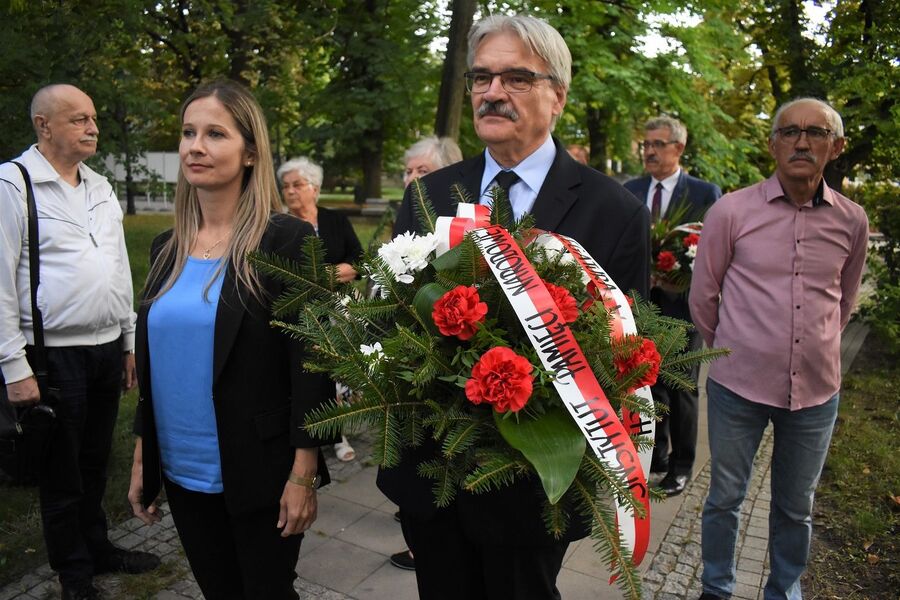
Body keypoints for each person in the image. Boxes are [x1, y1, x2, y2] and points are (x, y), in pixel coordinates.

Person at [384, 14, 649, 600]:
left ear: (557, 95)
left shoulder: (613, 211)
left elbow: (627, 351)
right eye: (482, 78)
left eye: (515, 78)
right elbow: (395, 315)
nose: (492, 92)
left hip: (533, 492)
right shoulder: (428, 193)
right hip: (433, 477)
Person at [127, 80, 335, 600]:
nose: (195, 146)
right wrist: (141, 457)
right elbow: (158, 366)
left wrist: (304, 472)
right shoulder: (164, 248)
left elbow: (310, 364)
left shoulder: (286, 240)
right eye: (188, 132)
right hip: (181, 468)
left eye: (215, 133)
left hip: (259, 470)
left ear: (249, 153)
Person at [689, 98, 868, 600]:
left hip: (815, 394)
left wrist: (815, 347)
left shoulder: (852, 221)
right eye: (789, 132)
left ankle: (784, 590)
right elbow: (703, 296)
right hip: (737, 388)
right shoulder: (730, 211)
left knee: (796, 505)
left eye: (815, 133)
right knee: (725, 498)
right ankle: (716, 587)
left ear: (835, 147)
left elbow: (845, 300)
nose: (802, 142)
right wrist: (733, 350)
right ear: (772, 144)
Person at [0, 84, 160, 600]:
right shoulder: (13, 184)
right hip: (51, 357)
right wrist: (13, 366)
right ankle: (74, 575)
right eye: (78, 120)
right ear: (43, 125)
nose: (93, 128)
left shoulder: (99, 186)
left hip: (106, 347)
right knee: (61, 472)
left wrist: (129, 339)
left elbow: (118, 267)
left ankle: (99, 548)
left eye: (93, 118)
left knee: (94, 461)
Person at [624, 115, 722, 497]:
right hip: (639, 305)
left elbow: (714, 252)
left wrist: (682, 277)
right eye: (645, 145)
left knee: (681, 386)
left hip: (683, 307)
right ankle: (657, 455)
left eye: (657, 145)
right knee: (648, 385)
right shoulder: (630, 190)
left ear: (678, 148)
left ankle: (682, 466)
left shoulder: (704, 193)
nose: (649, 151)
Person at [389, 135, 465, 573]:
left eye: (423, 171)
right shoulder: (407, 209)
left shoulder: (461, 217)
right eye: (409, 171)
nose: (413, 179)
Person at [278, 156, 363, 461]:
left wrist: (327, 275)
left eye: (297, 185)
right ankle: (333, 434)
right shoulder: (280, 225)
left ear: (314, 188)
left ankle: (339, 427)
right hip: (303, 312)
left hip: (340, 306)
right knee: (315, 370)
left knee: (341, 369)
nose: (290, 191)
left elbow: (360, 260)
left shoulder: (334, 220)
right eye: (286, 186)